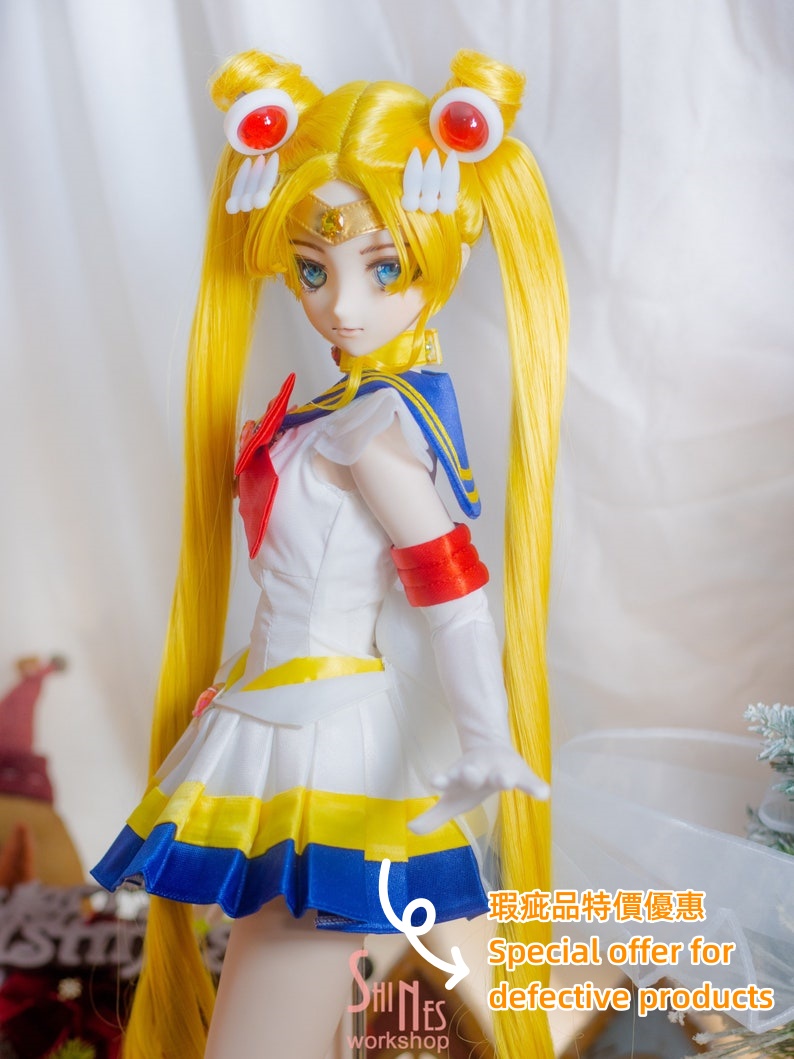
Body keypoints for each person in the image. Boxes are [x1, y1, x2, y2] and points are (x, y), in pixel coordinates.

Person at [92, 49, 567, 1058]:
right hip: (284, 709)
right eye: (314, 270)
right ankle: (588, 1009)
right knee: (385, 956)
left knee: (275, 997)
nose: (341, 305)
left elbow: (450, 589)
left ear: (436, 254)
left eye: (383, 267)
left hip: (327, 737)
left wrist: (487, 733)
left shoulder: (371, 431)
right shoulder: (342, 414)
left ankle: (592, 1009)